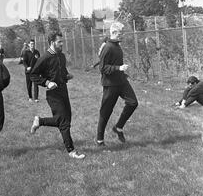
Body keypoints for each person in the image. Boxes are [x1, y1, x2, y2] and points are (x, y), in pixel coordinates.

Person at [30, 31, 85, 160]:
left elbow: (62, 72)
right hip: (53, 94)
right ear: (52, 42)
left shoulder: (62, 56)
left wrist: (67, 76)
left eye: (62, 41)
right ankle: (71, 151)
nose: (62, 44)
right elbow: (33, 75)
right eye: (59, 42)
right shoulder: (44, 58)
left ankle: (40, 121)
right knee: (64, 121)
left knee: (66, 120)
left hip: (63, 91)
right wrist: (47, 82)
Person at [96, 22, 138, 147]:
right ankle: (100, 140)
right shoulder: (108, 47)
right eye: (121, 33)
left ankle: (118, 127)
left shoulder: (117, 45)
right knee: (106, 111)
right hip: (110, 84)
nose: (123, 35)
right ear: (114, 33)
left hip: (121, 81)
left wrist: (122, 73)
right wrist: (118, 68)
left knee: (133, 102)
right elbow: (102, 68)